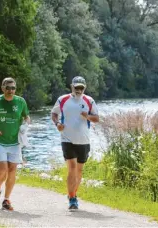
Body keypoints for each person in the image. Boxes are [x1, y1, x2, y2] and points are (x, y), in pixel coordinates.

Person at [0, 77, 30, 211]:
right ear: (2, 88)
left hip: (15, 142)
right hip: (0, 141)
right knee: (3, 169)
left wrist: (25, 125)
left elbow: (27, 117)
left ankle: (6, 200)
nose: (10, 90)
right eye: (8, 88)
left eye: (13, 88)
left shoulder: (20, 101)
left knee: (12, 170)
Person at [51, 76, 99, 209]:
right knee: (71, 168)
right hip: (67, 139)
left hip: (83, 140)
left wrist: (87, 116)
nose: (78, 90)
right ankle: (72, 198)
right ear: (71, 86)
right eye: (76, 87)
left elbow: (96, 118)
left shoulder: (89, 101)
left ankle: (72, 193)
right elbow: (54, 114)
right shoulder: (63, 99)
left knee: (79, 170)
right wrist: (57, 123)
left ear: (85, 88)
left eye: (81, 88)